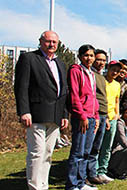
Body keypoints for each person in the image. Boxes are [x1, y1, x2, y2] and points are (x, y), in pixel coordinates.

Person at [14, 30, 69, 190]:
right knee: (36, 153)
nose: (51, 45)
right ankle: (35, 186)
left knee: (48, 153)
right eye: (48, 41)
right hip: (36, 114)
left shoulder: (60, 63)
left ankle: (43, 185)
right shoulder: (29, 58)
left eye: (54, 42)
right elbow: (21, 87)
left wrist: (64, 114)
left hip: (55, 115)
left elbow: (63, 90)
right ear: (40, 41)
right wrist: (24, 111)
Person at [66, 44, 100, 190]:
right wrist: (81, 115)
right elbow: (74, 95)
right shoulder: (76, 70)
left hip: (92, 117)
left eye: (91, 55)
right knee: (78, 152)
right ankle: (72, 184)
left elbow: (93, 97)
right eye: (86, 55)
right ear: (80, 56)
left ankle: (81, 182)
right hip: (82, 117)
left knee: (86, 152)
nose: (89, 58)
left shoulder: (92, 73)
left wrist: (96, 116)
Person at [96, 60, 122, 184]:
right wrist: (104, 117)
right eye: (113, 69)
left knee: (107, 146)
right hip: (101, 117)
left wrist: (116, 114)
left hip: (113, 119)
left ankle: (102, 170)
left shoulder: (117, 84)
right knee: (97, 146)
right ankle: (93, 171)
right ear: (108, 68)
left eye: (118, 70)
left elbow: (117, 101)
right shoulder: (101, 81)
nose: (115, 72)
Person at [86, 49, 110, 185]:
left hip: (102, 115)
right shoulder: (90, 75)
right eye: (99, 59)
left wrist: (105, 117)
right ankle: (84, 176)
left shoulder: (101, 77)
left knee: (96, 147)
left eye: (103, 60)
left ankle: (92, 174)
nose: (101, 62)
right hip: (92, 115)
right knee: (87, 147)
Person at [108, 107, 127, 180]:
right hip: (114, 154)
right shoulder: (120, 123)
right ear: (122, 114)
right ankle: (118, 172)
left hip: (121, 152)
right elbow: (124, 142)